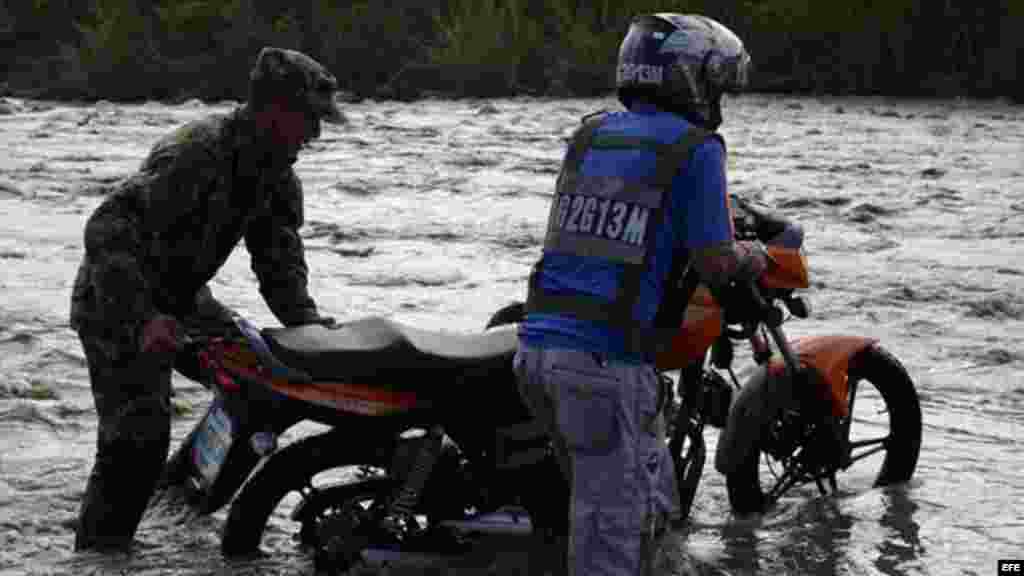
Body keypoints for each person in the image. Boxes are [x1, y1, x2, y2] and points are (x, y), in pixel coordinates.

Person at [514, 14, 771, 575]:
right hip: (604, 362)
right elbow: (715, 260)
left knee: (648, 506)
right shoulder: (697, 149)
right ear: (688, 79)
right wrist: (756, 255)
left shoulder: (590, 133)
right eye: (715, 85)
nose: (719, 101)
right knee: (612, 541)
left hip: (534, 352)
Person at [69, 46, 343, 552]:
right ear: (274, 110)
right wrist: (145, 318)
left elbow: (279, 261)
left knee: (261, 382)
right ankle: (101, 555)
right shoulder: (196, 153)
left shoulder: (277, 172)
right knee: (136, 441)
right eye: (309, 120)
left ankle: (176, 500)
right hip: (116, 299)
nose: (315, 135)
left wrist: (308, 327)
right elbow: (107, 229)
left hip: (184, 299)